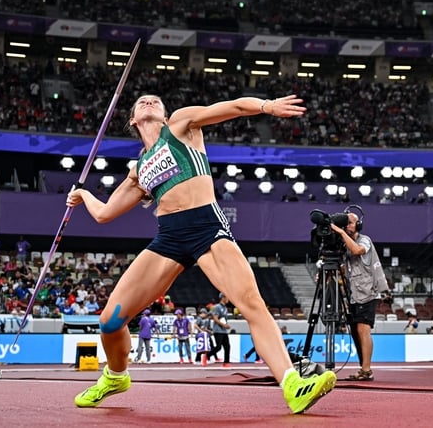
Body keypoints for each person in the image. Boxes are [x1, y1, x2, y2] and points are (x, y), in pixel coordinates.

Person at [66, 93, 335, 413]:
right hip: (168, 238)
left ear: (165, 115)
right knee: (110, 320)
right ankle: (115, 376)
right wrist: (82, 194)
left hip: (207, 227)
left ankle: (292, 383)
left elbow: (231, 107)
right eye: (142, 102)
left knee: (251, 303)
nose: (149, 102)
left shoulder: (181, 125)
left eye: (155, 101)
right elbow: (105, 213)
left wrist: (267, 106)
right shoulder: (138, 170)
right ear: (133, 120)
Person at [330, 209, 389, 381]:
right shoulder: (345, 243)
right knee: (357, 331)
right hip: (355, 293)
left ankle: (366, 369)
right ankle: (364, 367)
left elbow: (357, 251)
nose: (347, 225)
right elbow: (346, 266)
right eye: (345, 222)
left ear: (359, 225)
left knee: (363, 330)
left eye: (351, 222)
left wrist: (340, 232)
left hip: (368, 291)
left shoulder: (365, 240)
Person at [208, 292, 232, 367]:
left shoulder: (225, 308)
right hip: (218, 330)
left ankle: (226, 362)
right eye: (227, 297)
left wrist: (226, 325)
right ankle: (207, 355)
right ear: (223, 298)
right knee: (218, 347)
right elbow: (215, 319)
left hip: (223, 330)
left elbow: (223, 319)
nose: (228, 299)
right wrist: (224, 325)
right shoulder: (217, 307)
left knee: (227, 346)